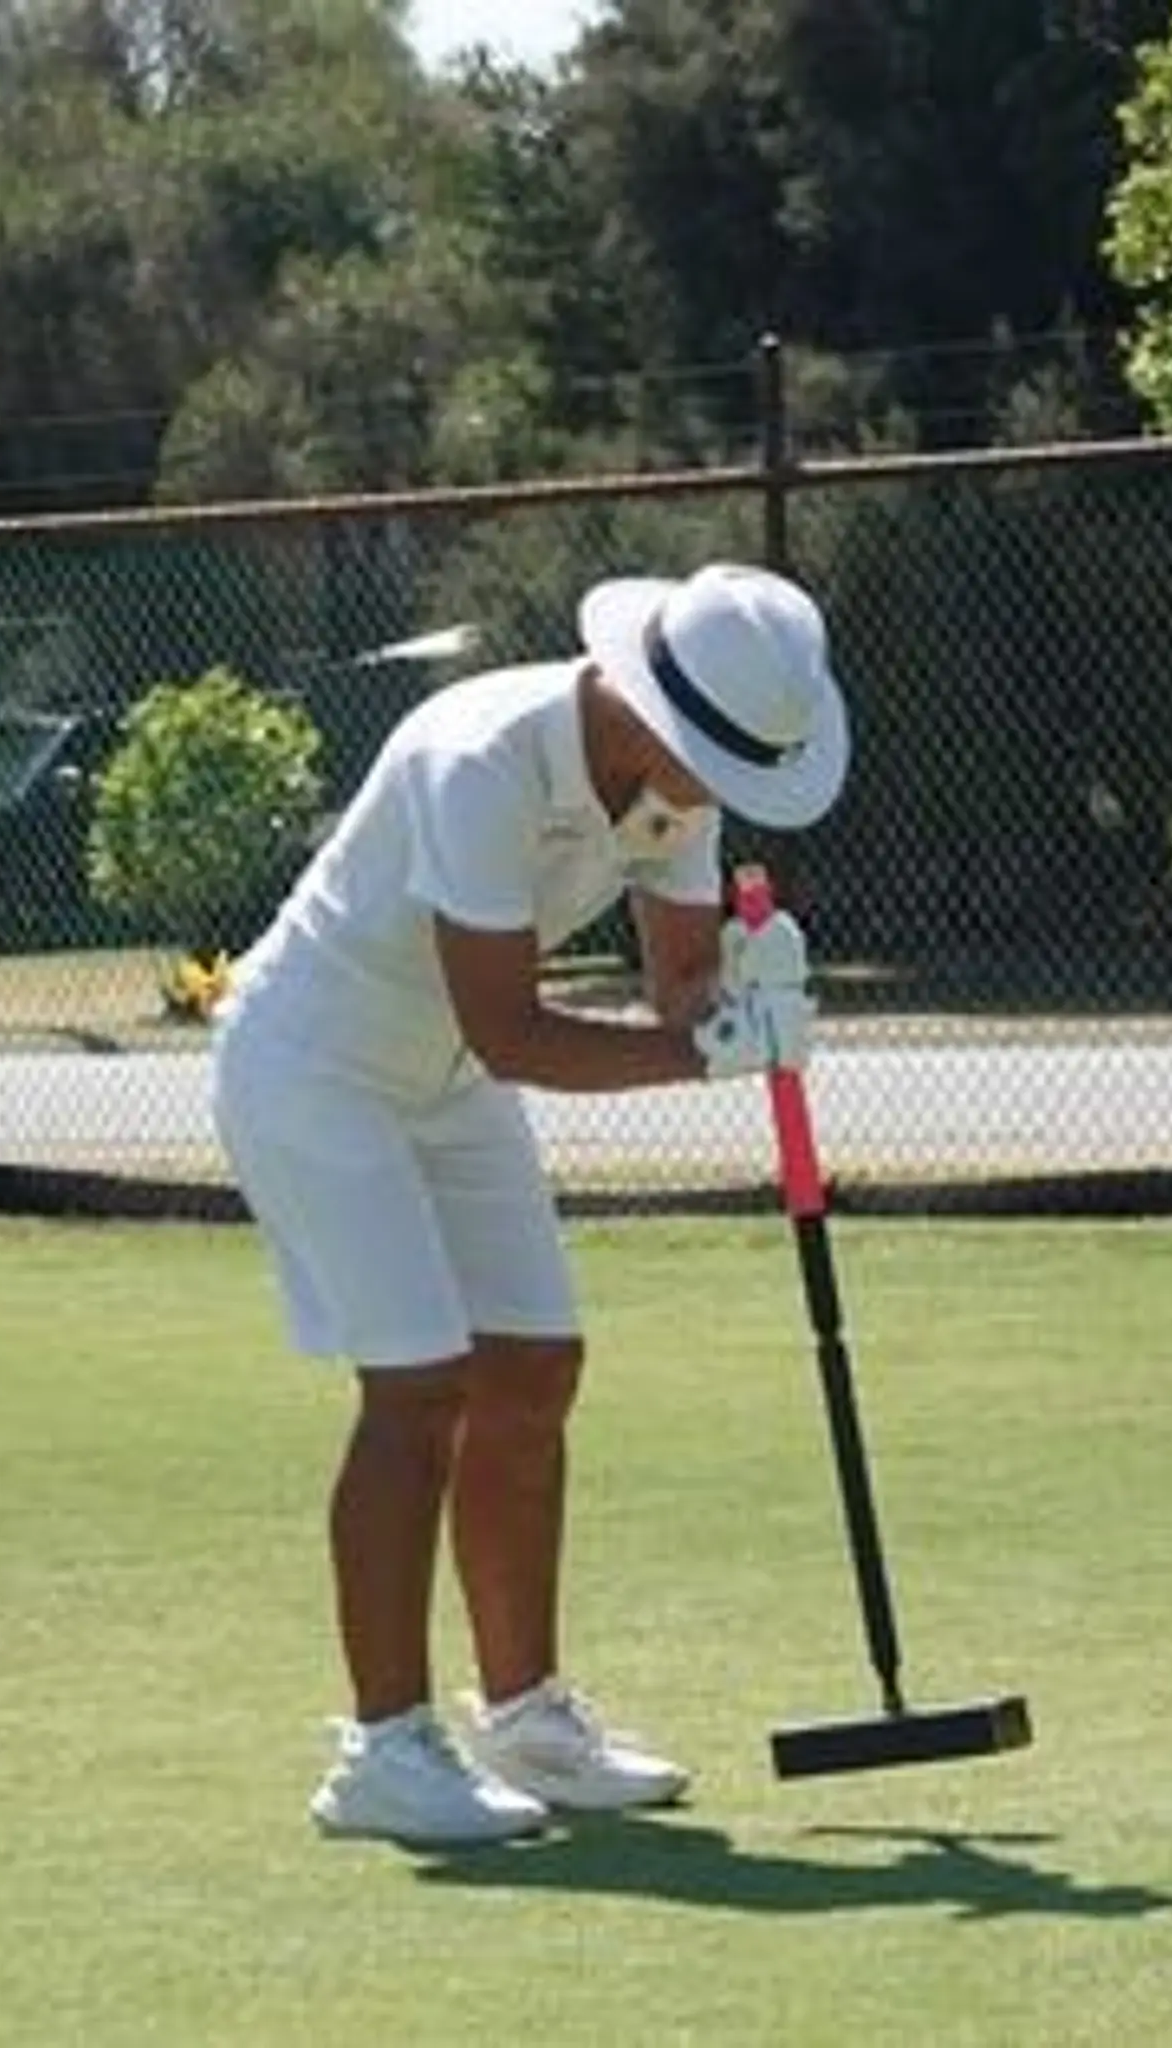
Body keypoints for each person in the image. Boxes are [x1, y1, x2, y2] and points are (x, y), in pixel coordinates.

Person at [209, 561, 851, 1848]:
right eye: (706, 763)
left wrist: (745, 997)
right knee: (418, 1385)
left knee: (536, 1364)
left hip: (446, 1076)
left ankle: (524, 1716)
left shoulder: (679, 781)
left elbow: (679, 988)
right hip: (315, 1064)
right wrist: (704, 1057)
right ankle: (381, 1752)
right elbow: (511, 1028)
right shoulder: (480, 760)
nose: (712, 793)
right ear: (640, 702)